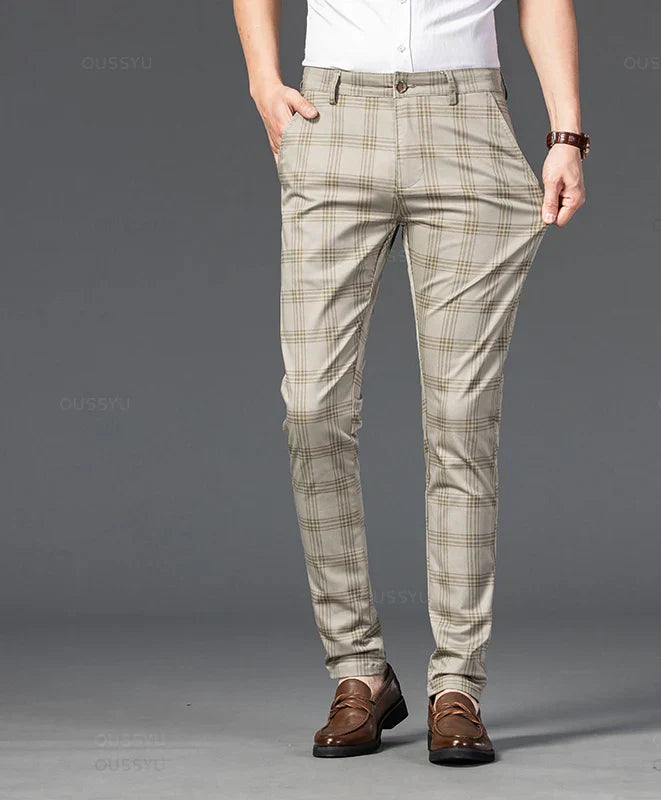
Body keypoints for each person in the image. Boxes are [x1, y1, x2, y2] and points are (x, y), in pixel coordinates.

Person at [233, 0, 588, 765]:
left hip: (467, 122)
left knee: (462, 417)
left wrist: (565, 134)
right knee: (312, 408)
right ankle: (357, 667)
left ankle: (457, 683)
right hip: (335, 117)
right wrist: (263, 78)